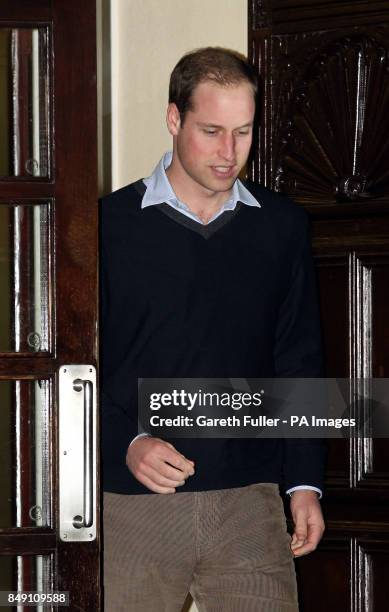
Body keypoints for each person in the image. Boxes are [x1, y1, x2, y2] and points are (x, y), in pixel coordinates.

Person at [101, 47, 326, 612]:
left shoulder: (283, 226)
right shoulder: (104, 226)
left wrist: (303, 483)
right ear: (174, 119)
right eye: (211, 131)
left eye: (243, 132)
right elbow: (75, 366)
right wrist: (124, 443)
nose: (229, 153)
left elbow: (297, 359)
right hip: (134, 504)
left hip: (251, 505)